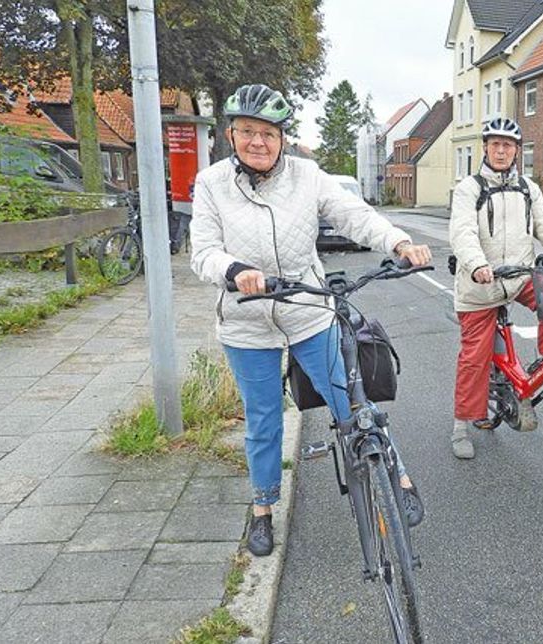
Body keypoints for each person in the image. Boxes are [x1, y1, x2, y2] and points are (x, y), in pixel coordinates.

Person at [190, 84, 432, 556]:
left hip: (306, 309)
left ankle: (397, 476)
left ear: (282, 137)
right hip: (246, 320)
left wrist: (399, 243)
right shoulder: (212, 182)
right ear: (231, 134)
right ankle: (262, 509)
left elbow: (354, 215)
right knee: (263, 421)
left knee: (351, 399)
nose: (257, 142)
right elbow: (203, 253)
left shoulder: (307, 176)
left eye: (268, 133)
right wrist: (237, 272)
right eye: (247, 132)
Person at [448, 117, 543, 460]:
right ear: (485, 147)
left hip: (520, 277)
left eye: (507, 145)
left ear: (516, 151)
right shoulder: (470, 188)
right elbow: (462, 232)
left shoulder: (528, 188)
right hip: (480, 285)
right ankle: (462, 424)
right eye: (494, 143)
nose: (500, 150)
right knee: (475, 358)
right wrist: (478, 265)